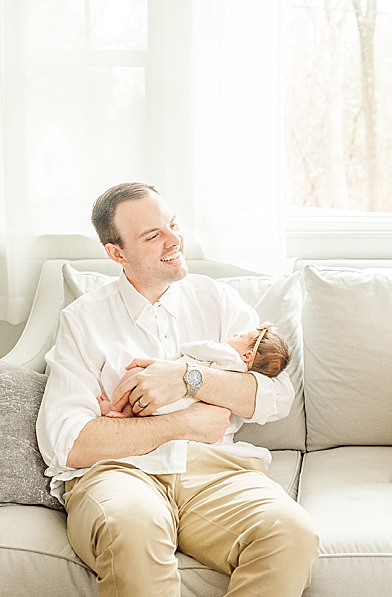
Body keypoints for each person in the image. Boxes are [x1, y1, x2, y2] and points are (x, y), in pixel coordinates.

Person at [37, 183, 318, 597]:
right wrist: (183, 421)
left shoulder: (217, 301)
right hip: (121, 473)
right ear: (117, 253)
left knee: (290, 533)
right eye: (153, 236)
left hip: (216, 474)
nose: (174, 241)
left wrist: (188, 376)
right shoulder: (83, 320)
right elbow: (68, 444)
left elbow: (276, 397)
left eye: (172, 225)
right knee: (129, 528)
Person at [97, 323, 292, 423]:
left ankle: (117, 407)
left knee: (138, 374)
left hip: (171, 403)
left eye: (240, 335)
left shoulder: (228, 353)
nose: (235, 334)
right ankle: (125, 415)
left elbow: (204, 348)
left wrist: (187, 351)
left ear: (248, 354)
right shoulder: (242, 372)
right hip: (184, 409)